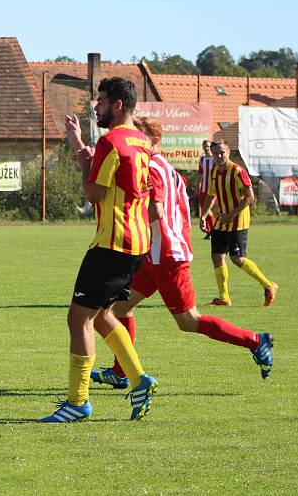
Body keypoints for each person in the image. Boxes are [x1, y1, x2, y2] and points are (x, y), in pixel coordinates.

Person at [90, 118, 274, 391]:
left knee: (189, 321)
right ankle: (120, 371)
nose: (133, 141)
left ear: (152, 140)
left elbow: (157, 210)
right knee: (116, 311)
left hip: (166, 257)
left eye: (138, 136)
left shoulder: (151, 166)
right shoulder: (167, 168)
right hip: (154, 256)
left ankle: (255, 341)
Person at [40, 77, 157, 424]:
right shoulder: (143, 142)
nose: (97, 107)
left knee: (78, 318)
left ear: (117, 105)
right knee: (104, 315)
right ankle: (138, 379)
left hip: (111, 243)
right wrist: (80, 145)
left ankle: (77, 402)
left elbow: (94, 193)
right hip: (137, 244)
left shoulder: (111, 140)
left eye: (102, 101)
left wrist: (81, 154)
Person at [199, 141, 278, 307]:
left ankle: (269, 286)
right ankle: (224, 298)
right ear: (212, 155)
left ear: (228, 152)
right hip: (222, 221)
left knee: (237, 258)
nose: (219, 156)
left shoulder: (237, 171)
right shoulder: (213, 171)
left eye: (222, 152)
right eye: (216, 153)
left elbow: (250, 197)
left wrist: (231, 214)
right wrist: (203, 215)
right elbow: (210, 195)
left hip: (238, 221)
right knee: (216, 256)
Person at [196, 140, 216, 240]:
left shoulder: (215, 159)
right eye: (205, 147)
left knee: (207, 210)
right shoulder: (202, 159)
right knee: (205, 210)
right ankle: (209, 231)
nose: (206, 148)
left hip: (213, 189)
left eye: (208, 146)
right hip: (203, 189)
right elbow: (200, 174)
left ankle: (213, 231)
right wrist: (197, 186)